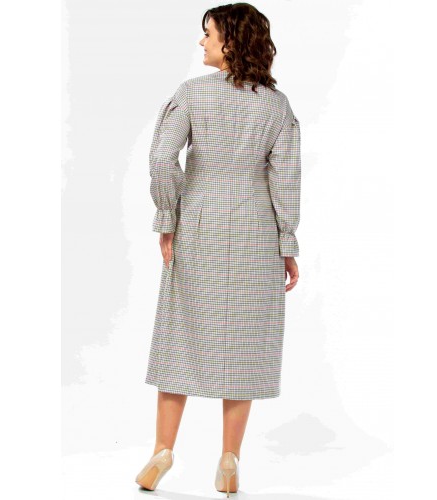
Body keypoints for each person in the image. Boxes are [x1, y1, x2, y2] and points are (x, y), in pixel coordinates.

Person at [135, 3, 301, 496]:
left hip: (200, 221)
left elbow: (162, 157)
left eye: (208, 34)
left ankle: (162, 451)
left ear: (231, 41)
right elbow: (286, 180)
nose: (201, 42)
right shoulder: (277, 106)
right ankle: (229, 460)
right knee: (245, 345)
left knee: (180, 333)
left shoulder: (192, 94)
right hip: (256, 227)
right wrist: (287, 241)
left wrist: (168, 216)